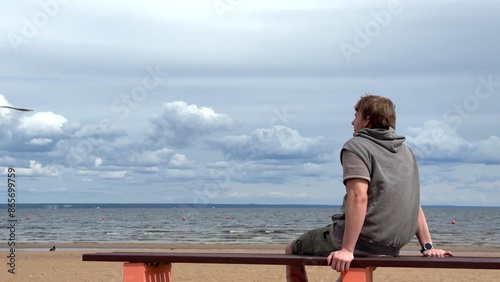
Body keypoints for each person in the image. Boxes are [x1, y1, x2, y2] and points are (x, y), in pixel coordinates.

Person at [285, 94, 453, 281]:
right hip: (390, 246)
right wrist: (427, 247)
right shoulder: (407, 152)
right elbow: (413, 204)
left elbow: (358, 197)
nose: (352, 122)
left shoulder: (357, 146)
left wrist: (347, 249)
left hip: (364, 240)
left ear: (367, 120)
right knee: (358, 267)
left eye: (355, 115)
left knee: (292, 250)